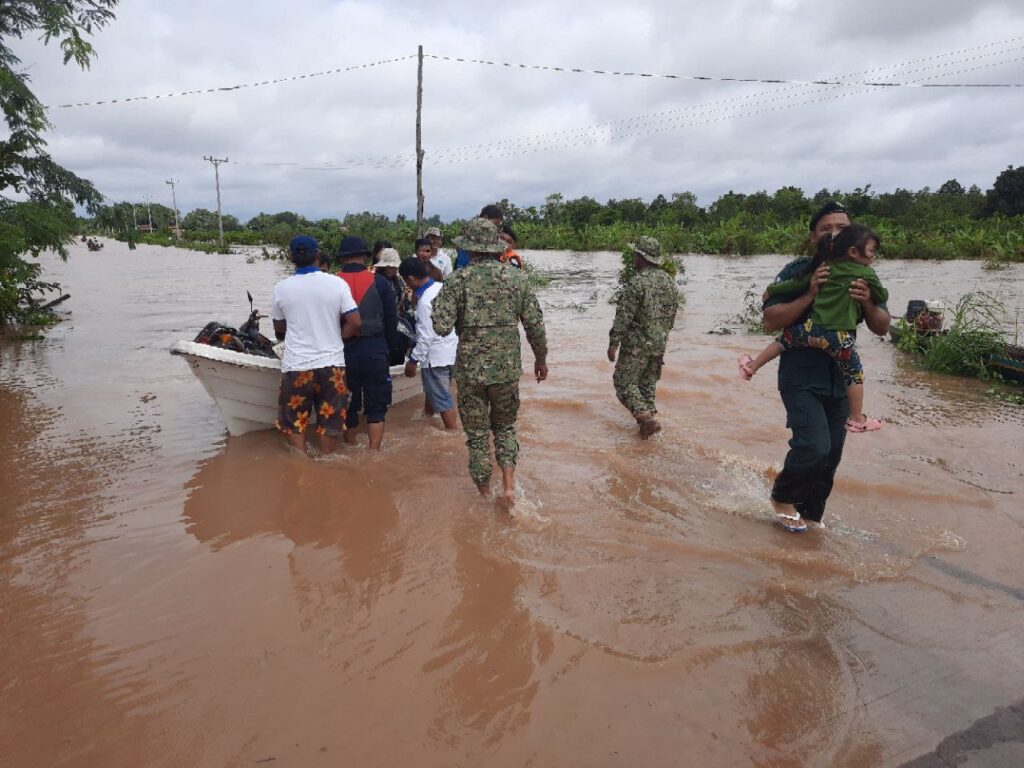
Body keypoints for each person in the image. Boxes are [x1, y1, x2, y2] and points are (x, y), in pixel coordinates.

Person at [761, 201, 890, 532]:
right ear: (812, 237)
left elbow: (881, 326)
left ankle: (811, 520)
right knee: (814, 446)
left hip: (841, 378)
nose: (833, 234)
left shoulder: (861, 271)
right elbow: (769, 320)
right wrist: (809, 293)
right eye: (825, 228)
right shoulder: (799, 270)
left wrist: (868, 301)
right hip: (800, 375)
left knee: (830, 456)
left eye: (841, 229)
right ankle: (782, 497)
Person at [432, 217, 548, 504]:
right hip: (506, 370)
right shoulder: (517, 278)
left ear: (469, 249)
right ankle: (508, 487)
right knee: (505, 428)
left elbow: (441, 327)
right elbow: (535, 325)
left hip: (470, 372)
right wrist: (540, 359)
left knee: (478, 436)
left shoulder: (457, 280)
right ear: (496, 247)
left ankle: (485, 496)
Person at [739, 224, 887, 432]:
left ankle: (751, 367)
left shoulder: (824, 268)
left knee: (783, 341)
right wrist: (870, 295)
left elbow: (793, 285)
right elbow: (883, 295)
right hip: (839, 338)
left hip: (812, 330)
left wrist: (770, 291)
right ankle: (856, 419)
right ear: (853, 251)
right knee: (854, 374)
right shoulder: (866, 274)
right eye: (871, 252)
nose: (873, 257)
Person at [270, 235, 361, 455]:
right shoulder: (337, 283)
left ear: (291, 257)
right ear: (317, 256)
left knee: (294, 421)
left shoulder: (281, 288)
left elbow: (279, 328)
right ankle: (326, 459)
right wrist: (338, 338)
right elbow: (356, 322)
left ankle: (301, 460)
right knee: (331, 421)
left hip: (297, 365)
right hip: (332, 365)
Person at [607, 236, 680, 438]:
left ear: (641, 257)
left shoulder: (637, 282)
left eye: (635, 255)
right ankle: (648, 434)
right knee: (646, 385)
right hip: (659, 343)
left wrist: (613, 343)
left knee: (623, 383)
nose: (633, 258)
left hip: (637, 344)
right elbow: (672, 316)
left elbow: (624, 316)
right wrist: (661, 336)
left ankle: (645, 419)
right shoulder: (669, 282)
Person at [335, 235, 399, 451]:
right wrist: (390, 349)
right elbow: (392, 320)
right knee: (376, 405)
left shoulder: (332, 282)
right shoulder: (381, 283)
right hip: (375, 349)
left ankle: (350, 446)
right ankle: (374, 452)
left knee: (349, 403)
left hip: (343, 351)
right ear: (364, 257)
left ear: (341, 258)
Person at [399, 257, 459, 430]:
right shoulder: (443, 288)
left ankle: (452, 433)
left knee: (443, 399)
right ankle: (426, 417)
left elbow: (426, 337)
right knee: (436, 391)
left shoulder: (425, 302)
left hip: (435, 356)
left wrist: (413, 361)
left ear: (410, 278)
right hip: (452, 351)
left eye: (405, 281)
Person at [375, 247, 413, 365]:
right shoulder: (377, 282)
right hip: (381, 324)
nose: (394, 269)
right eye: (391, 267)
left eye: (395, 267)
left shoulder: (398, 281)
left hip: (397, 323)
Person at [454, 204, 503, 270]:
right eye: (495, 224)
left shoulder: (493, 240)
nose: (495, 228)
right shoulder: (468, 233)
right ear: (485, 218)